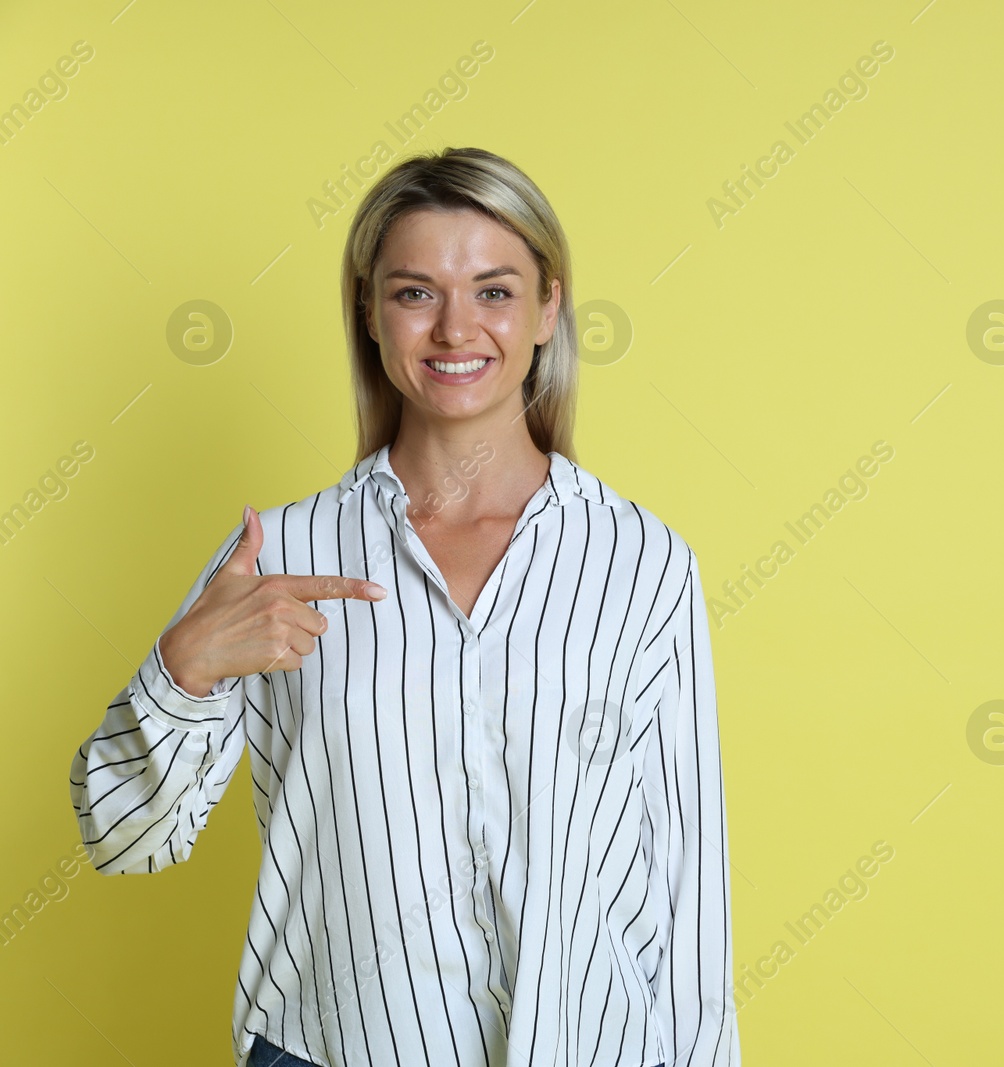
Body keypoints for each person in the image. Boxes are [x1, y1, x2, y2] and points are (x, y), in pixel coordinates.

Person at [68, 147, 737, 1067]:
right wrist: (182, 669)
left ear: (548, 308)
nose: (456, 328)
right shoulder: (278, 560)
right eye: (416, 292)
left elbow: (689, 880)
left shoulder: (643, 564)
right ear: (369, 315)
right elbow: (123, 838)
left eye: (494, 291)